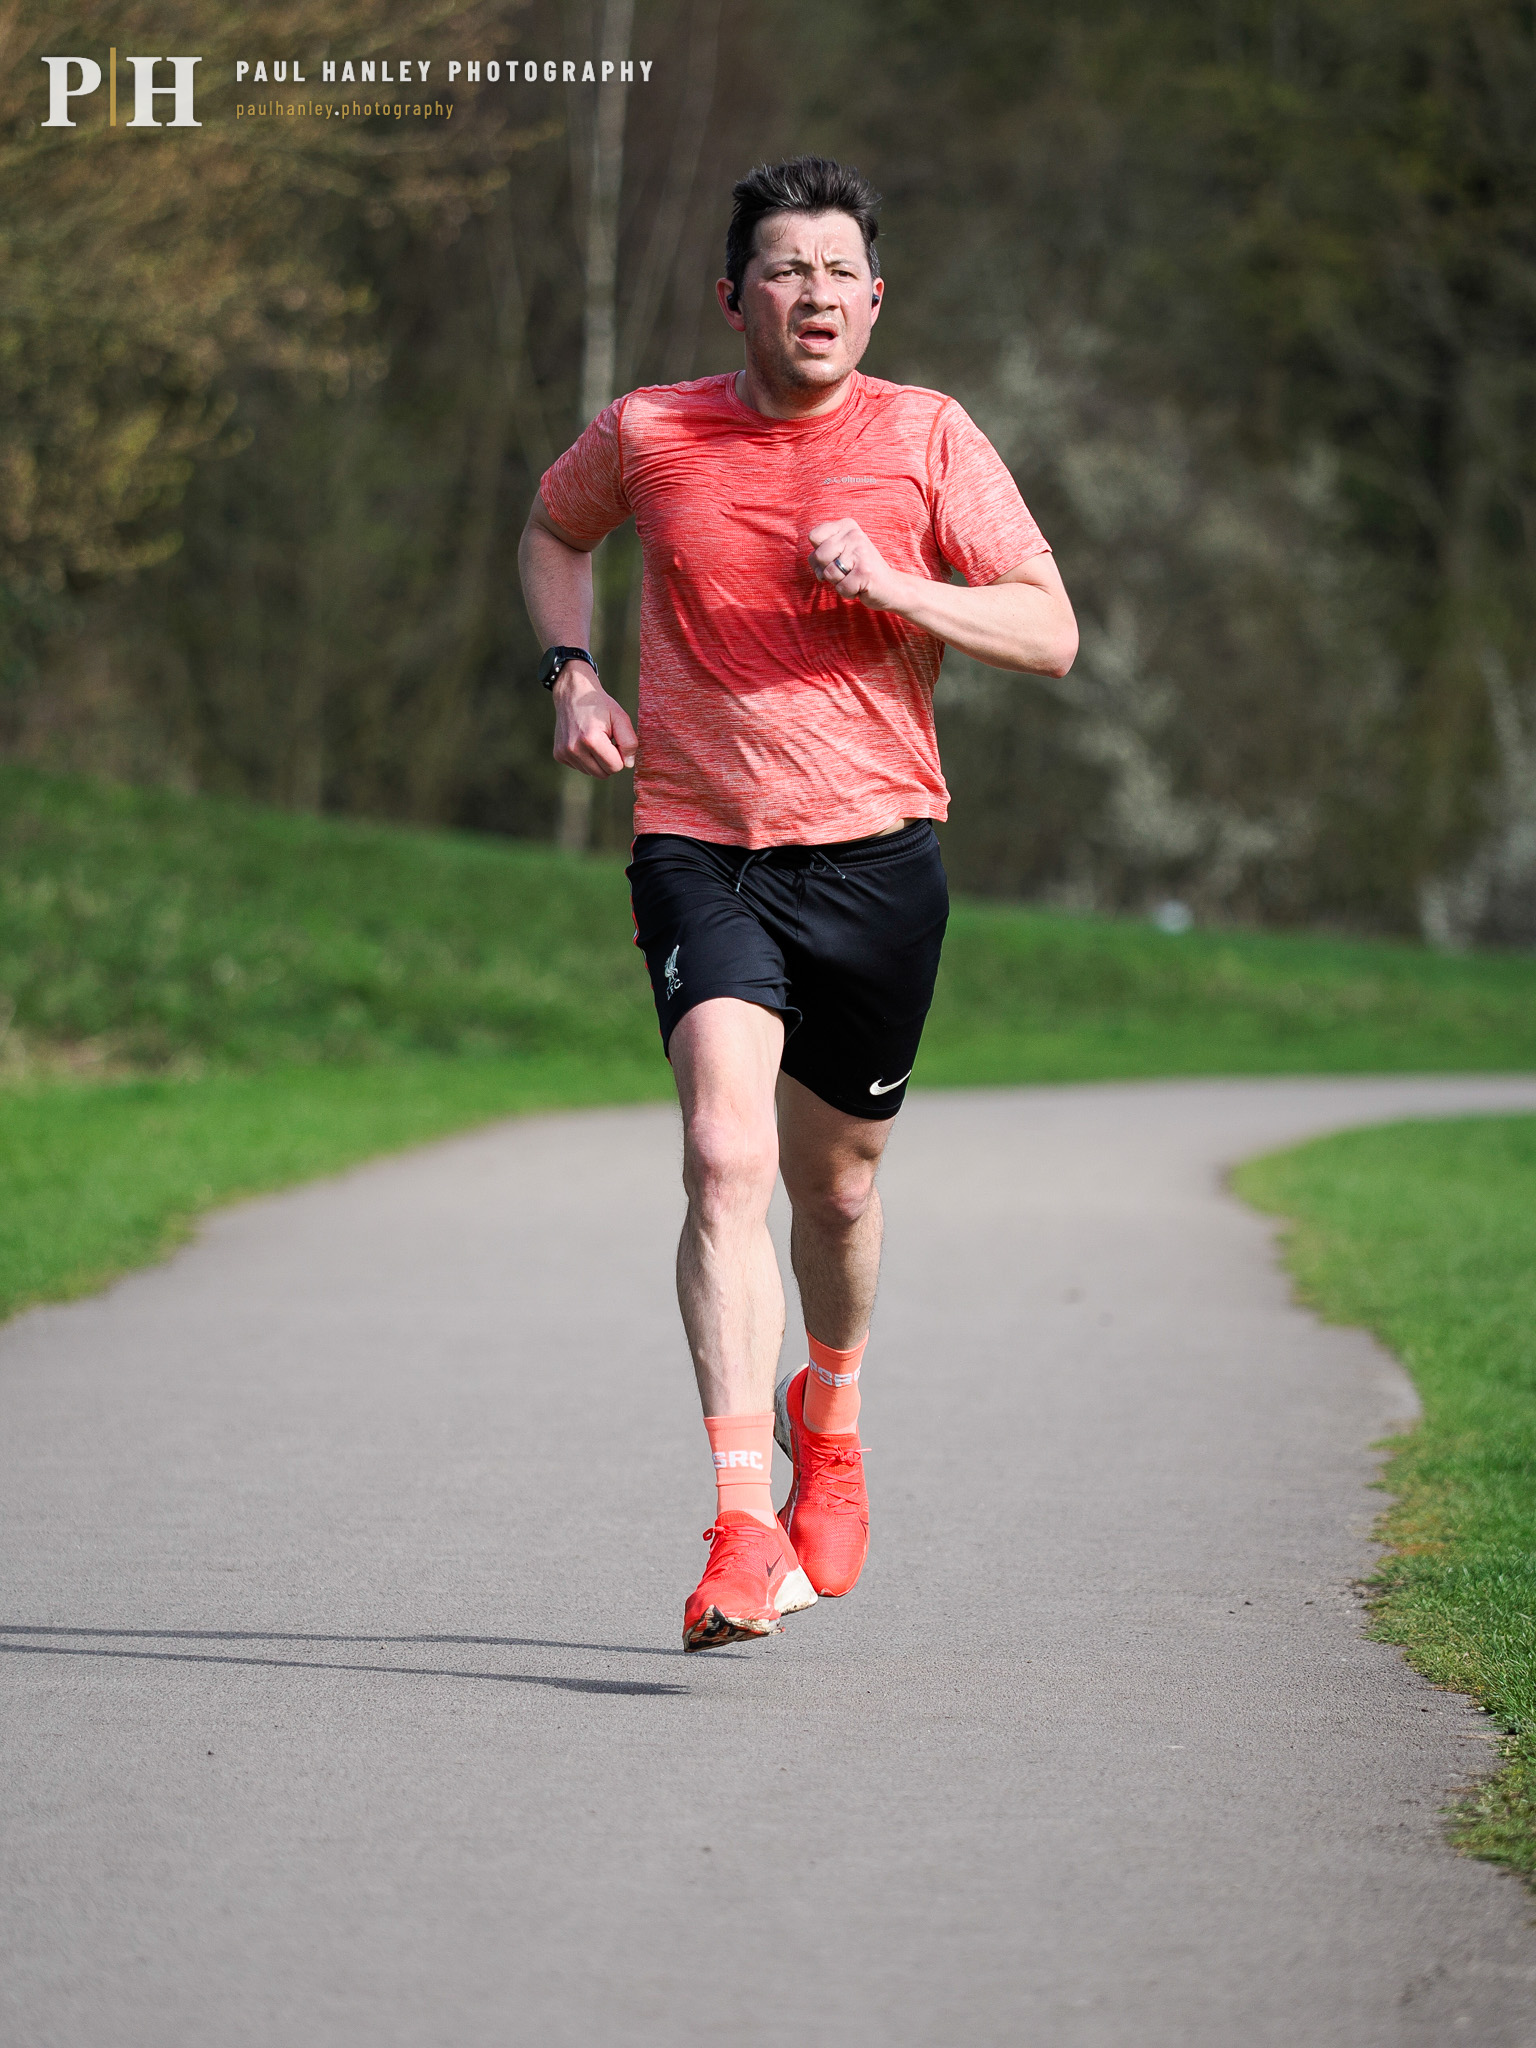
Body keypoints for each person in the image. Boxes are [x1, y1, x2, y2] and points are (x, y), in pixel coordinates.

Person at [518, 155, 1077, 1651]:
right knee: (721, 1155)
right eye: (786, 269)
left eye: (841, 273)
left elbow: (1049, 629)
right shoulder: (649, 433)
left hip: (881, 855)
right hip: (702, 845)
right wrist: (570, 675)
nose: (815, 294)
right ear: (734, 297)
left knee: (835, 1188)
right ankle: (739, 1521)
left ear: (875, 301)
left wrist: (903, 587)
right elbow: (552, 530)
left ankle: (829, 1418)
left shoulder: (930, 438)